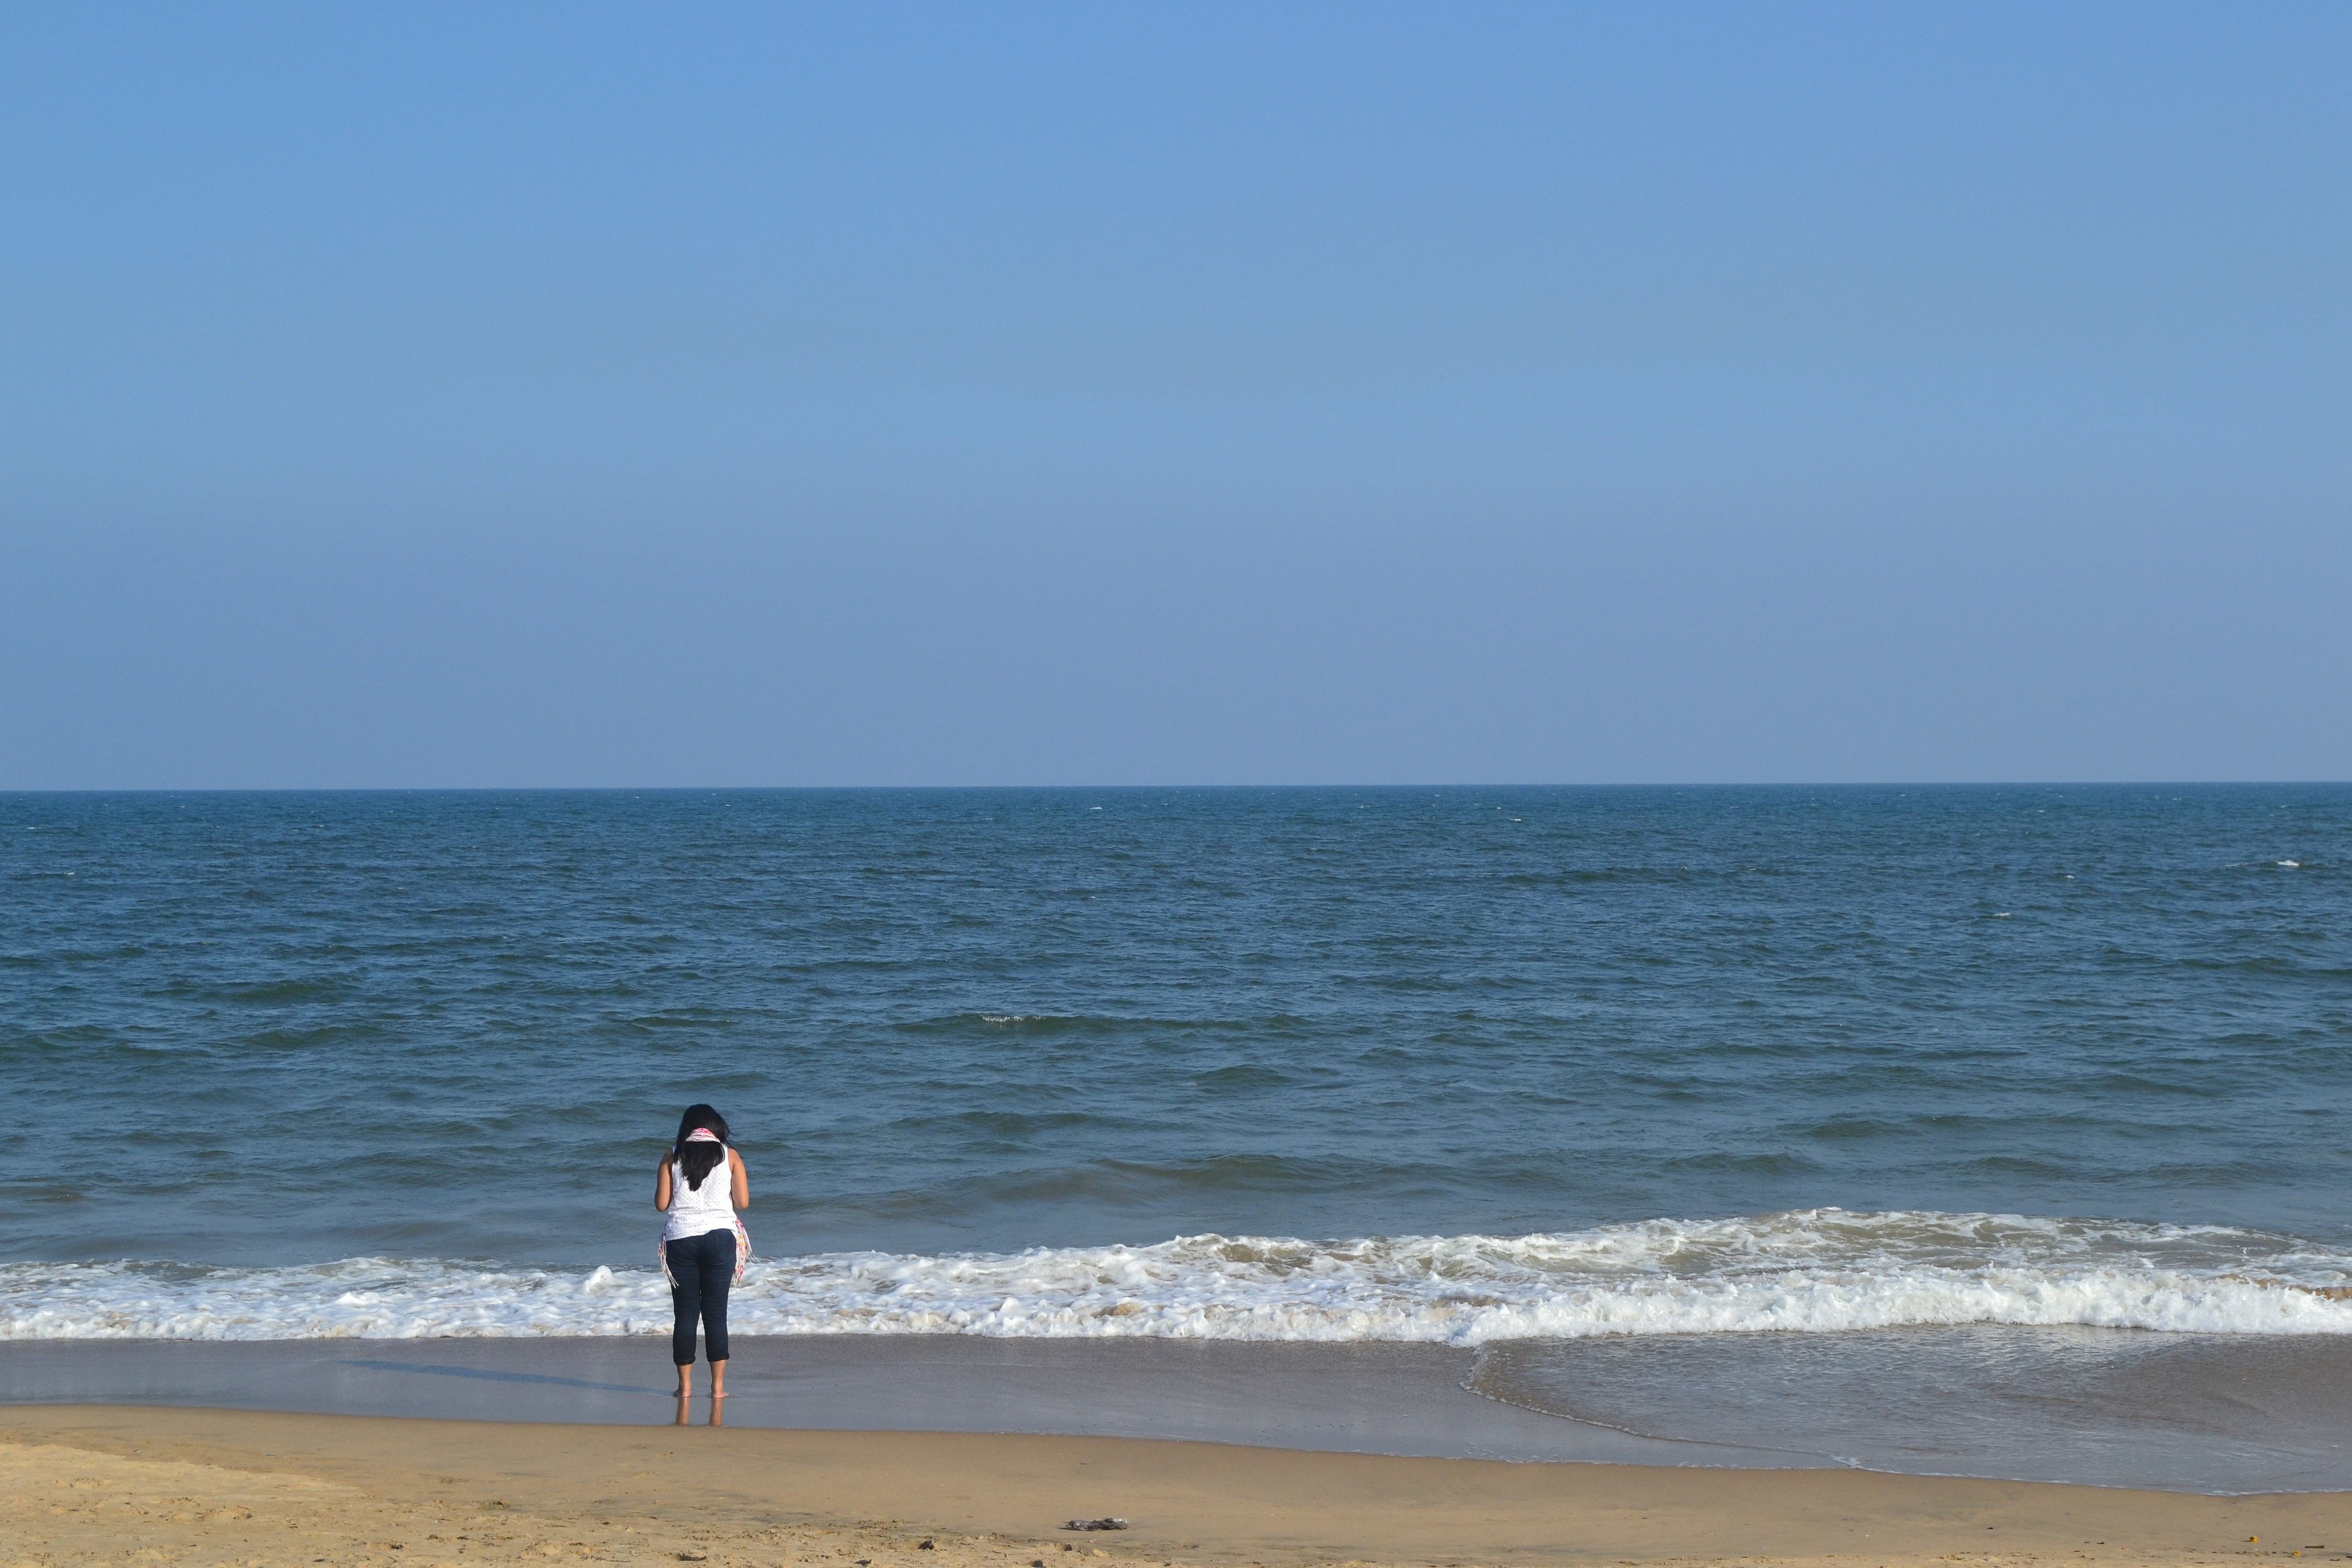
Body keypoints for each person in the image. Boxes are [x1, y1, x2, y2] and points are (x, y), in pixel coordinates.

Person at [655, 1103, 749, 1399]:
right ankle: (718, 1389)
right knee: (716, 1315)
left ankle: (684, 1389)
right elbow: (743, 1203)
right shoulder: (730, 1155)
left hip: (680, 1239)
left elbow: (661, 1205)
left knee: (684, 1316)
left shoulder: (672, 1156)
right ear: (717, 1127)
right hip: (721, 1239)